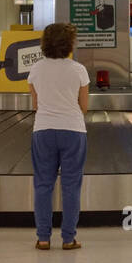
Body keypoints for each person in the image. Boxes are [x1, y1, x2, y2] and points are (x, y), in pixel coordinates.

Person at [27, 23, 89, 250]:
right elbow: (83, 106)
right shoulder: (79, 70)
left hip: (43, 129)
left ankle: (43, 238)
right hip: (73, 130)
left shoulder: (36, 69)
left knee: (43, 184)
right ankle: (68, 238)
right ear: (70, 43)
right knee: (71, 185)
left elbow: (35, 104)